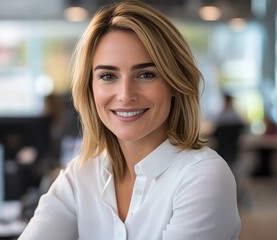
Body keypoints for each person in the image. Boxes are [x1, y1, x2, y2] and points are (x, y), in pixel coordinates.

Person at [19, 1, 241, 240]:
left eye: (146, 74)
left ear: (175, 83)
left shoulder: (203, 176)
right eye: (108, 76)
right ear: (89, 88)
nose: (125, 95)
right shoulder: (80, 175)